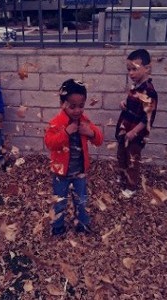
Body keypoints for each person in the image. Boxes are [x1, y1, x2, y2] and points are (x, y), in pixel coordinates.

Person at [44, 79, 103, 236]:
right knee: (59, 202)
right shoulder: (56, 123)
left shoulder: (84, 121)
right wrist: (66, 132)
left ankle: (82, 225)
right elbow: (49, 143)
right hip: (60, 173)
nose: (77, 110)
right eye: (72, 106)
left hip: (79, 173)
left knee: (81, 201)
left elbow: (99, 139)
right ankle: (57, 228)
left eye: (81, 106)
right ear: (63, 103)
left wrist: (90, 133)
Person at [115, 49, 158, 198]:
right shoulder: (135, 86)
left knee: (132, 158)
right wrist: (123, 103)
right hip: (125, 128)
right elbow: (131, 102)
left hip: (135, 133)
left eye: (135, 69)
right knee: (121, 154)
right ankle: (122, 175)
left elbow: (147, 117)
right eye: (129, 70)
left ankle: (131, 186)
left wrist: (134, 132)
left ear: (147, 68)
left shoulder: (149, 92)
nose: (131, 73)